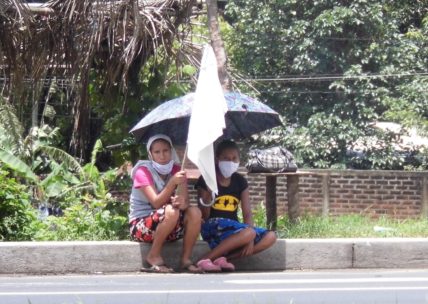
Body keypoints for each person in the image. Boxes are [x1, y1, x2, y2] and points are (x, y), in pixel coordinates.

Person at [195, 139, 277, 272]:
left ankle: (225, 259)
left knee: (271, 236)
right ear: (217, 160)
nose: (230, 162)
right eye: (226, 158)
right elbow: (204, 215)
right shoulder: (207, 179)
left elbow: (247, 213)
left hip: (235, 230)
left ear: (239, 161)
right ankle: (205, 258)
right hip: (212, 226)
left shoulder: (240, 181)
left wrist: (250, 239)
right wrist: (208, 194)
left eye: (234, 159)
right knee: (249, 232)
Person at [129, 134, 202, 273]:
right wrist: (172, 183)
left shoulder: (177, 170)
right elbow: (156, 203)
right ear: (151, 154)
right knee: (170, 211)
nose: (162, 156)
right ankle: (153, 255)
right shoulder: (142, 171)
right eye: (157, 152)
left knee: (195, 212)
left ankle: (186, 259)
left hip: (169, 224)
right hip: (141, 226)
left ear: (171, 151)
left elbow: (185, 203)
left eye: (165, 151)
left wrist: (181, 202)